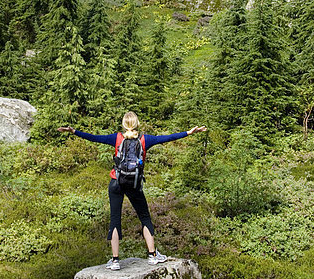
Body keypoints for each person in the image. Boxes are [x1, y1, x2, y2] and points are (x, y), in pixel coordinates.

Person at [58, 111, 207, 270]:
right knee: (144, 217)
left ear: (123, 124)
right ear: (137, 124)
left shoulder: (116, 138)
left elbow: (94, 137)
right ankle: (152, 256)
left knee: (115, 219)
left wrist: (73, 131)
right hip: (134, 183)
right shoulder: (145, 139)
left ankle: (115, 261)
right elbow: (167, 137)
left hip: (116, 181)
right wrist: (188, 133)